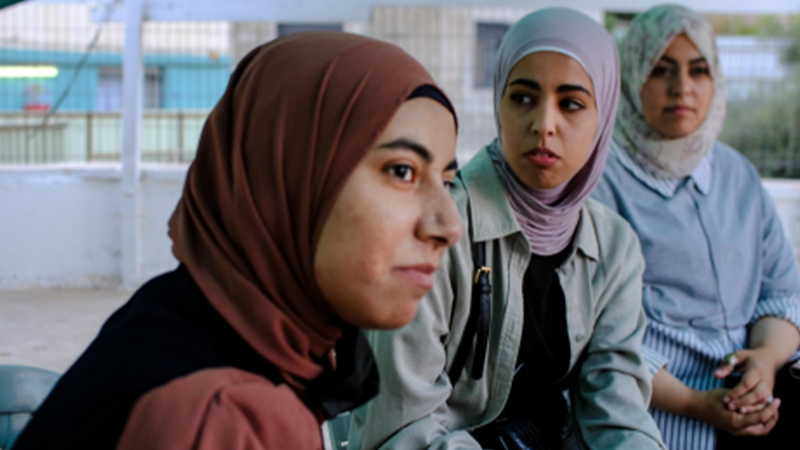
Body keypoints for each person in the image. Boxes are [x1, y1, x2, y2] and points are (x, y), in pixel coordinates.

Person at [13, 32, 462, 450]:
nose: (448, 226)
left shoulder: (173, 317)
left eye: (446, 180)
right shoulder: (228, 418)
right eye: (402, 171)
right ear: (286, 176)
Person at [348, 8, 665, 450]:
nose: (543, 125)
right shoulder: (432, 230)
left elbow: (618, 413)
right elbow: (402, 427)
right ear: (499, 101)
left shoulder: (614, 248)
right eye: (522, 97)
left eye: (571, 103)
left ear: (604, 116)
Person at [591, 5, 800, 449]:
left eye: (698, 70)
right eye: (661, 70)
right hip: (654, 410)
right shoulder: (599, 181)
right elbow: (596, 330)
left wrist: (765, 358)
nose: (682, 87)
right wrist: (693, 403)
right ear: (631, 77)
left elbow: (782, 292)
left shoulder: (737, 174)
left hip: (760, 397)